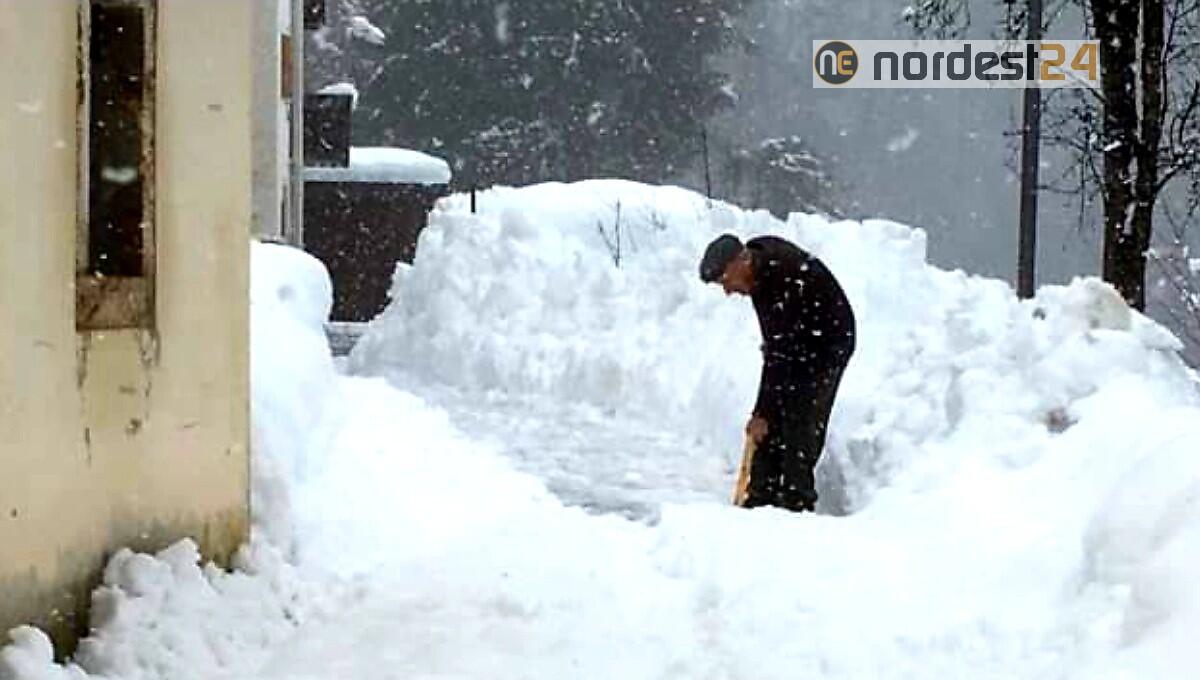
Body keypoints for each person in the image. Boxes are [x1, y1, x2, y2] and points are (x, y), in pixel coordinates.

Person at [699, 233, 856, 512]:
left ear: (742, 261)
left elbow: (779, 356)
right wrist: (764, 414)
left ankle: (797, 502)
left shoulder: (781, 276)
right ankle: (761, 496)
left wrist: (761, 413)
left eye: (725, 280)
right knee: (773, 420)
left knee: (801, 420)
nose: (727, 290)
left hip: (829, 342)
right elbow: (778, 349)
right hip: (799, 339)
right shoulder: (757, 272)